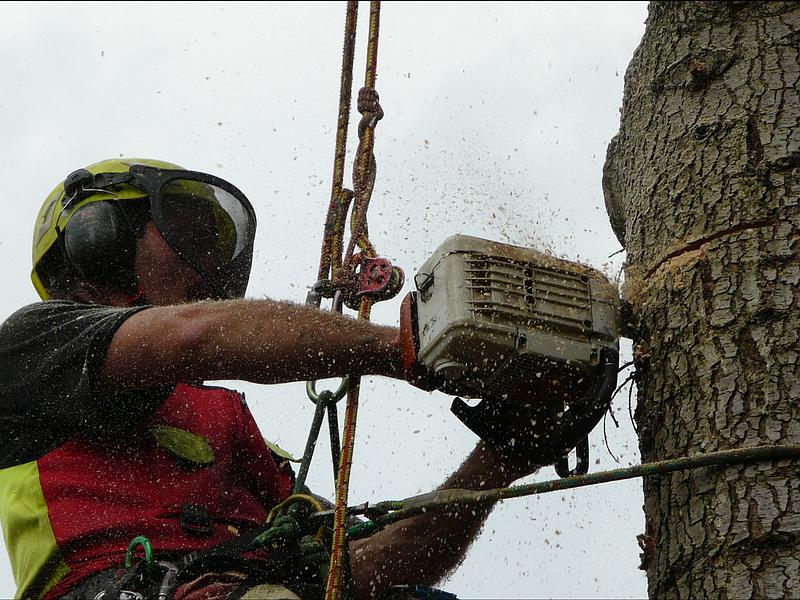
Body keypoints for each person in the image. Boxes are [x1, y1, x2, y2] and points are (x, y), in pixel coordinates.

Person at [0, 158, 544, 600]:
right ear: (101, 242)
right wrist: (400, 346)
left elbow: (368, 561)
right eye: (186, 241)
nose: (201, 273)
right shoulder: (34, 345)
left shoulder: (224, 418)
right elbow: (196, 337)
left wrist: (502, 455)